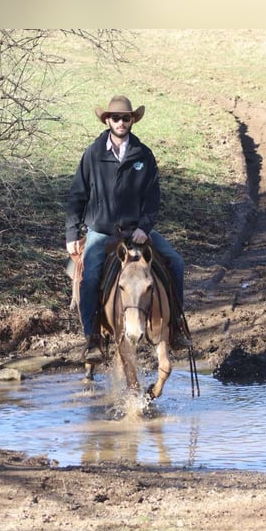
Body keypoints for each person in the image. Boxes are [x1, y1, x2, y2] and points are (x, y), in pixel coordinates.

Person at [65, 95, 192, 363]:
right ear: (107, 120)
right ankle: (92, 339)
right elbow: (77, 195)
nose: (120, 122)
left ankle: (175, 327)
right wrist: (71, 234)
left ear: (132, 120)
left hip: (137, 231)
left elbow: (153, 197)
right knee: (89, 278)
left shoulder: (143, 155)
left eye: (125, 118)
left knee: (176, 263)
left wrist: (145, 228)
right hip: (102, 231)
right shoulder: (93, 154)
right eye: (115, 118)